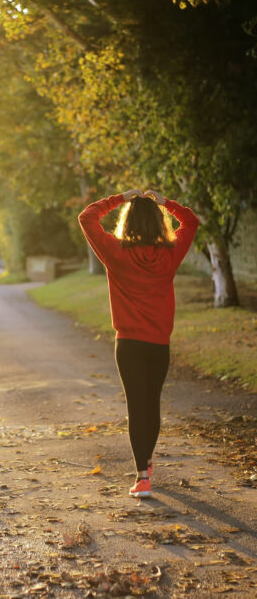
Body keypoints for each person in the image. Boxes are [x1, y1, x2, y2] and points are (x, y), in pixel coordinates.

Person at [78, 188, 200, 498]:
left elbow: (87, 217)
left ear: (128, 223)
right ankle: (145, 461)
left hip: (129, 345)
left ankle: (142, 476)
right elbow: (191, 221)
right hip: (158, 344)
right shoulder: (170, 254)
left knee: (137, 406)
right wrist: (166, 203)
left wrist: (119, 198)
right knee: (152, 404)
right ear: (159, 224)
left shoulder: (115, 253)